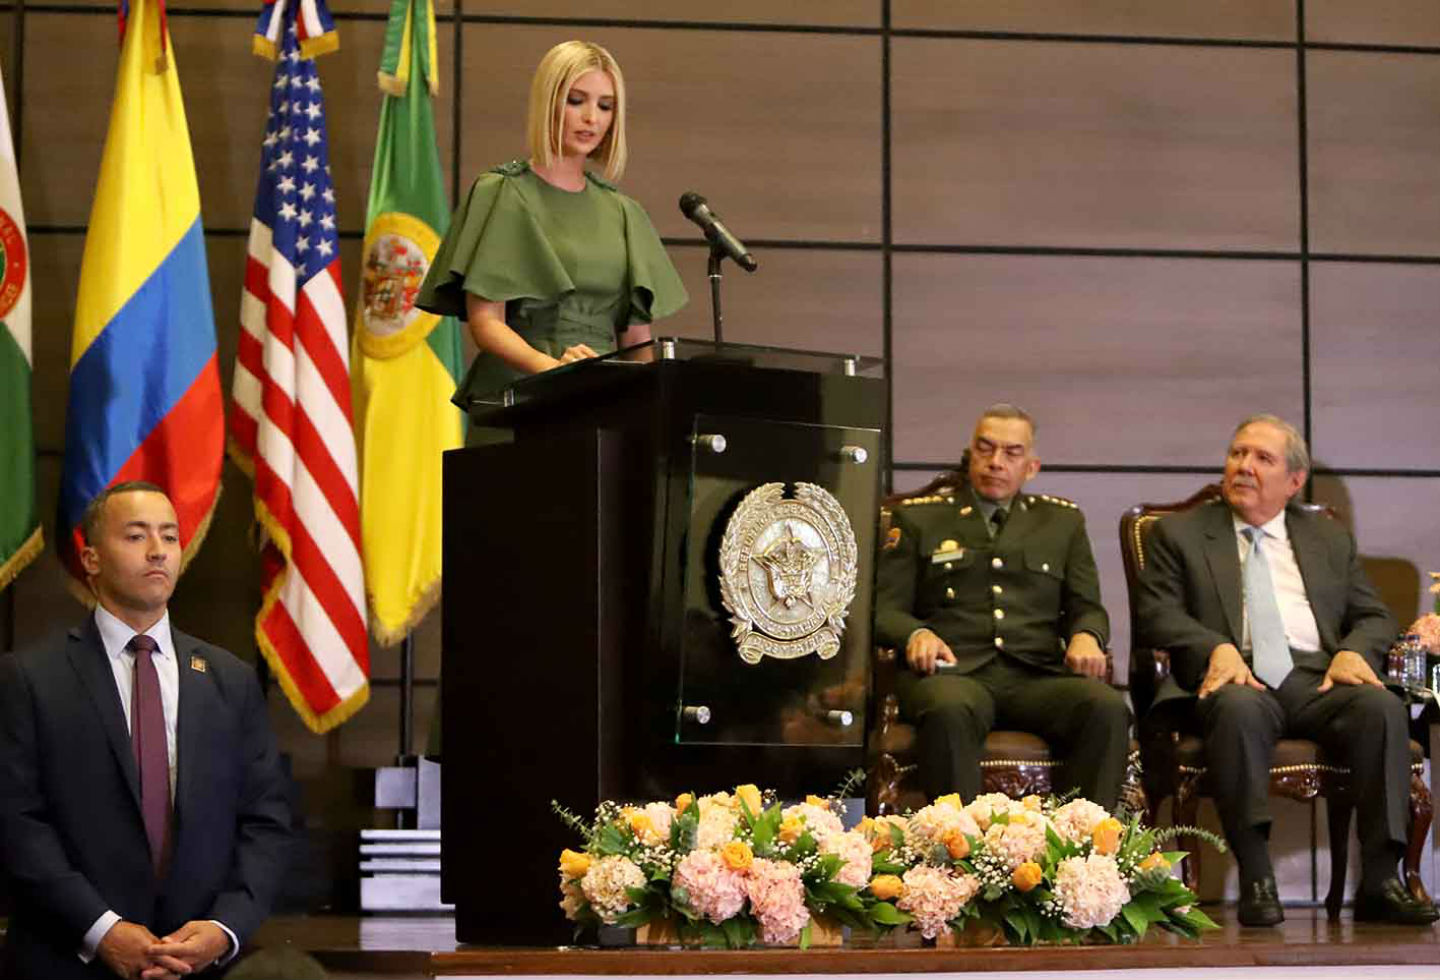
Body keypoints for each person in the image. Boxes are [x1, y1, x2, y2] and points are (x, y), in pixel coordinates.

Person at [1136, 414, 1435, 926]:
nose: (1244, 466)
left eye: (1262, 458)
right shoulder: (1179, 533)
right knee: (1237, 708)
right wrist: (1215, 648)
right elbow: (1155, 613)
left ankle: (1382, 880)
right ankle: (1256, 877)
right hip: (1233, 677)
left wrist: (1354, 651)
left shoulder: (1324, 536)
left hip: (1316, 679)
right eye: (1237, 454)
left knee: (1380, 706)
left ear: (1294, 482)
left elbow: (1373, 615)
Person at [0, 482, 293, 979]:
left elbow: (267, 821)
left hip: (201, 965)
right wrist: (101, 929)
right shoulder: (30, 678)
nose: (159, 551)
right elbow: (16, 822)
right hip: (67, 959)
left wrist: (224, 928)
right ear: (90, 559)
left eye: (170, 536)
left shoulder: (230, 679)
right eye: (136, 536)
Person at [873, 403, 1129, 809]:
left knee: (1106, 709)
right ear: (969, 453)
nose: (996, 462)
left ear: (1031, 466)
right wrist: (916, 634)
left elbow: (1087, 606)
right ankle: (960, 855)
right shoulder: (921, 518)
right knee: (948, 708)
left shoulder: (1062, 522)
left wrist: (1086, 636)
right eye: (985, 449)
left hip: (1035, 676)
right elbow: (884, 609)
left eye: (1011, 453)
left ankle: (1084, 851)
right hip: (953, 673)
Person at [416, 39, 688, 412]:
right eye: (577, 100)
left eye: (605, 106)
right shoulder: (502, 192)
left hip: (605, 403)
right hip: (520, 397)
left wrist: (654, 409)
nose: (592, 118)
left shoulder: (624, 211)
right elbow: (486, 324)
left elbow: (638, 342)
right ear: (549, 102)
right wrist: (554, 373)